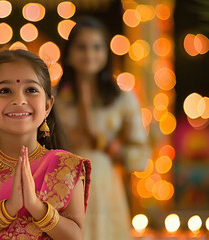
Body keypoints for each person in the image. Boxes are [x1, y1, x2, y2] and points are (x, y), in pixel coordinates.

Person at [0, 49, 91, 240]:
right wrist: (9, 208)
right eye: (5, 91)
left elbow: (75, 236)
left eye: (31, 90)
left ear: (47, 106)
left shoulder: (66, 166)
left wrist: (36, 207)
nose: (19, 100)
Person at [56, 16, 150, 240]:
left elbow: (140, 157)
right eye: (82, 47)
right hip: (60, 184)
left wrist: (106, 145)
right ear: (68, 53)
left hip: (104, 186)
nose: (90, 54)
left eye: (97, 47)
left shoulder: (122, 99)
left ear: (106, 54)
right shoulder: (53, 98)